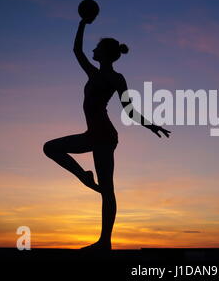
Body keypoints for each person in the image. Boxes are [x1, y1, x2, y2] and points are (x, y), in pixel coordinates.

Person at [43, 15, 170, 250]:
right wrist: (82, 23)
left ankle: (104, 241)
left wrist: (152, 126)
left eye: (97, 47)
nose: (93, 49)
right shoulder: (101, 75)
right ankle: (84, 178)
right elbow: (77, 51)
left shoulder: (108, 77)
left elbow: (129, 110)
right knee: (51, 148)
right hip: (97, 134)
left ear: (104, 53)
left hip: (103, 136)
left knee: (107, 189)